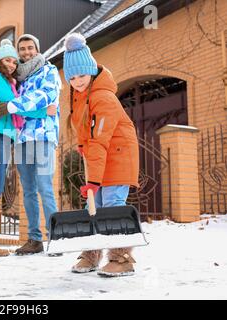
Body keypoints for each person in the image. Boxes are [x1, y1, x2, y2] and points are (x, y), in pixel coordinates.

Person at [0, 39, 54, 258]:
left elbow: (11, 105)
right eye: (8, 59)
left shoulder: (5, 78)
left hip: (3, 137)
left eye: (14, 61)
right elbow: (15, 104)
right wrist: (44, 113)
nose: (12, 64)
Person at [63, 33, 140, 277]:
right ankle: (92, 253)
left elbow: (100, 139)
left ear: (91, 71)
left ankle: (122, 258)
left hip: (117, 156)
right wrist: (82, 145)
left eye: (81, 75)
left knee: (113, 205)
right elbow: (87, 131)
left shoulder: (103, 97)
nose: (76, 81)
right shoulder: (79, 95)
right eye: (71, 77)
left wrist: (92, 181)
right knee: (92, 205)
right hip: (101, 155)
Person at [0, 34, 62, 255]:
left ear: (37, 49)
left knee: (45, 188)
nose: (26, 52)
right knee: (29, 192)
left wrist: (13, 106)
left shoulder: (49, 71)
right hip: (22, 139)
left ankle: (57, 237)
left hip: (43, 137)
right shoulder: (18, 78)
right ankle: (34, 239)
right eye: (22, 49)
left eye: (30, 48)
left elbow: (45, 97)